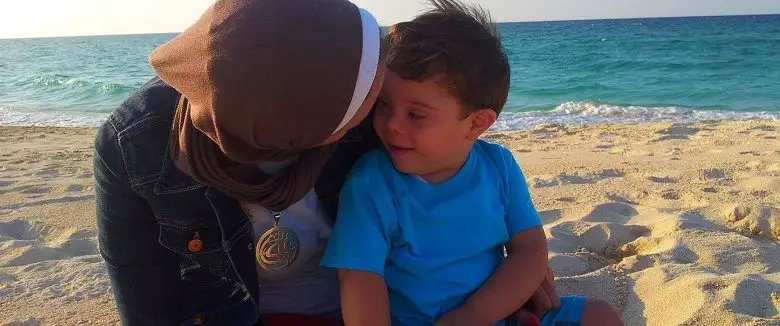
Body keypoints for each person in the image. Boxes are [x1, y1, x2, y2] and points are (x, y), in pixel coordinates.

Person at [95, 0, 562, 325]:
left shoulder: (347, 67)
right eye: (367, 105)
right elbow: (145, 300)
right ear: (291, 124)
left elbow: (446, 141)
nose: (380, 117)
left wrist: (523, 269)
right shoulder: (135, 146)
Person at [321, 1, 625, 326]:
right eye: (384, 104)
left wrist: (473, 316)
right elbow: (358, 278)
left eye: (415, 114)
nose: (391, 124)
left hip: (493, 315)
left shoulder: (499, 167)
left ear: (476, 123)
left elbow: (530, 251)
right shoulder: (372, 182)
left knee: (600, 315)